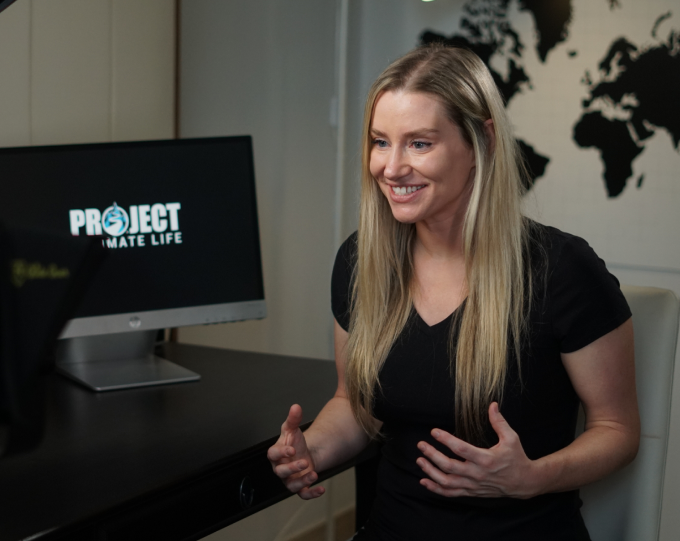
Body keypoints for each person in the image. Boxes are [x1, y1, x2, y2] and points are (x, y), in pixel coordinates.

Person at [267, 44, 640, 540]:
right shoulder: (362, 262)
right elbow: (354, 405)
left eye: (419, 144)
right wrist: (311, 450)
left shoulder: (561, 270)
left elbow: (617, 431)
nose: (391, 168)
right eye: (381, 142)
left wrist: (531, 477)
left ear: (482, 141)